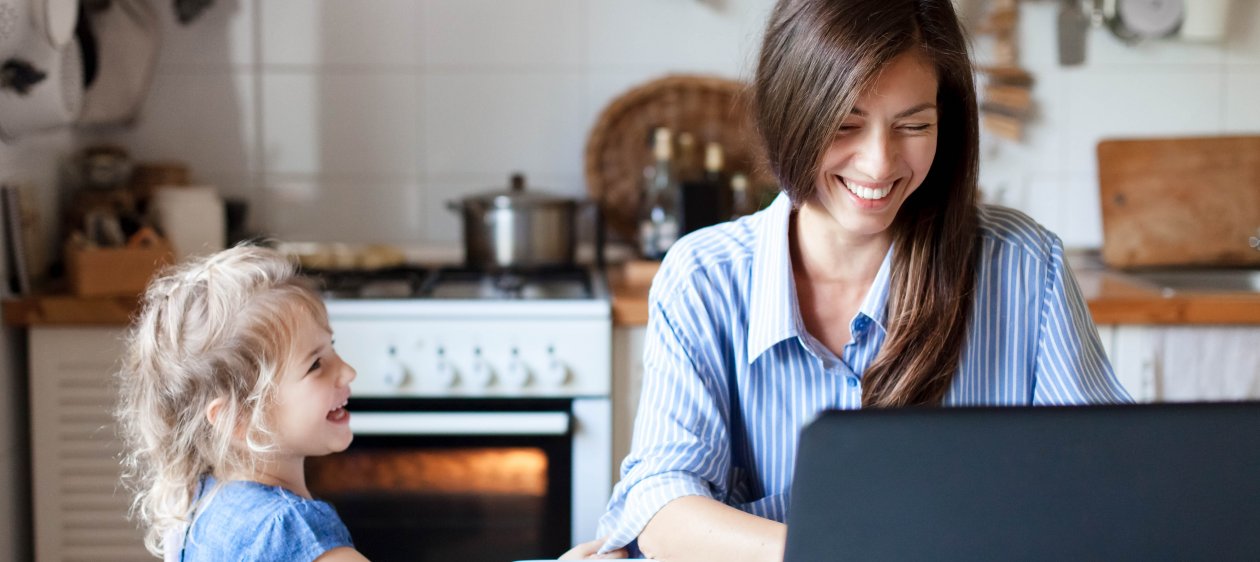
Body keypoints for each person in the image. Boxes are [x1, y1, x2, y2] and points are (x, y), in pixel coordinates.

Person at [591, 0, 1132, 560]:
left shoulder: (1023, 266)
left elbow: (1108, 485)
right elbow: (660, 504)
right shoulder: (704, 277)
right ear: (790, 114)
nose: (879, 164)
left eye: (914, 125)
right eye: (846, 125)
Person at [115, 245, 370, 561]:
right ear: (238, 419)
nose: (347, 371)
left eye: (331, 347)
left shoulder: (202, 504)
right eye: (315, 364)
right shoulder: (290, 532)